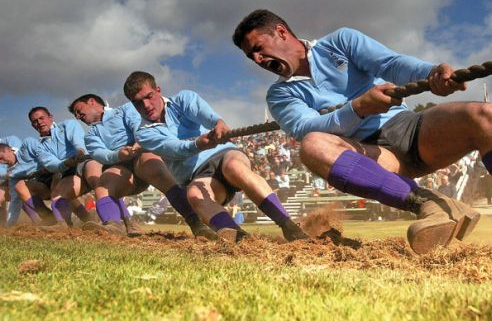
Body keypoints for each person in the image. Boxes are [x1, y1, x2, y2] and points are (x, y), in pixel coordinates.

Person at [232, 9, 492, 254]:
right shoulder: (279, 93)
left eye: (258, 49)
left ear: (281, 32)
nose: (258, 61)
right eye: (252, 57)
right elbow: (305, 127)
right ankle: (430, 206)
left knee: (483, 115)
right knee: (312, 146)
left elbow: (390, 63)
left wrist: (430, 73)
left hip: (410, 129)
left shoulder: (340, 41)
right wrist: (357, 107)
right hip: (370, 155)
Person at [123, 71, 307, 242]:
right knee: (194, 195)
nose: (146, 106)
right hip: (197, 175)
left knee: (235, 168)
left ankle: (288, 225)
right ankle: (242, 240)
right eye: (138, 102)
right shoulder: (143, 134)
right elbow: (175, 149)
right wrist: (198, 144)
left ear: (158, 90)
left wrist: (218, 123)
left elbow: (207, 116)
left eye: (148, 97)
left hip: (224, 153)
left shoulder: (183, 99)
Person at [69, 93, 216, 238]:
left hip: (142, 155)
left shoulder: (125, 109)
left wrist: (138, 142)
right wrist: (118, 155)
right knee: (102, 187)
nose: (78, 116)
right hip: (120, 166)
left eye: (78, 110)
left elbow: (139, 126)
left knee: (156, 170)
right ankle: (113, 226)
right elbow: (99, 153)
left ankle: (197, 224)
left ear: (91, 102)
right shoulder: (90, 136)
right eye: (75, 114)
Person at [32, 106, 100, 229]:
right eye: (35, 121)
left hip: (85, 161)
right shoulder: (39, 146)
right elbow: (52, 164)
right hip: (66, 171)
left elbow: (78, 142)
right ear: (33, 125)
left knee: (98, 180)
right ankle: (64, 224)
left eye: (41, 118)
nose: (39, 122)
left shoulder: (68, 125)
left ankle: (116, 221)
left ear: (50, 117)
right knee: (57, 192)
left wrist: (79, 150)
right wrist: (65, 164)